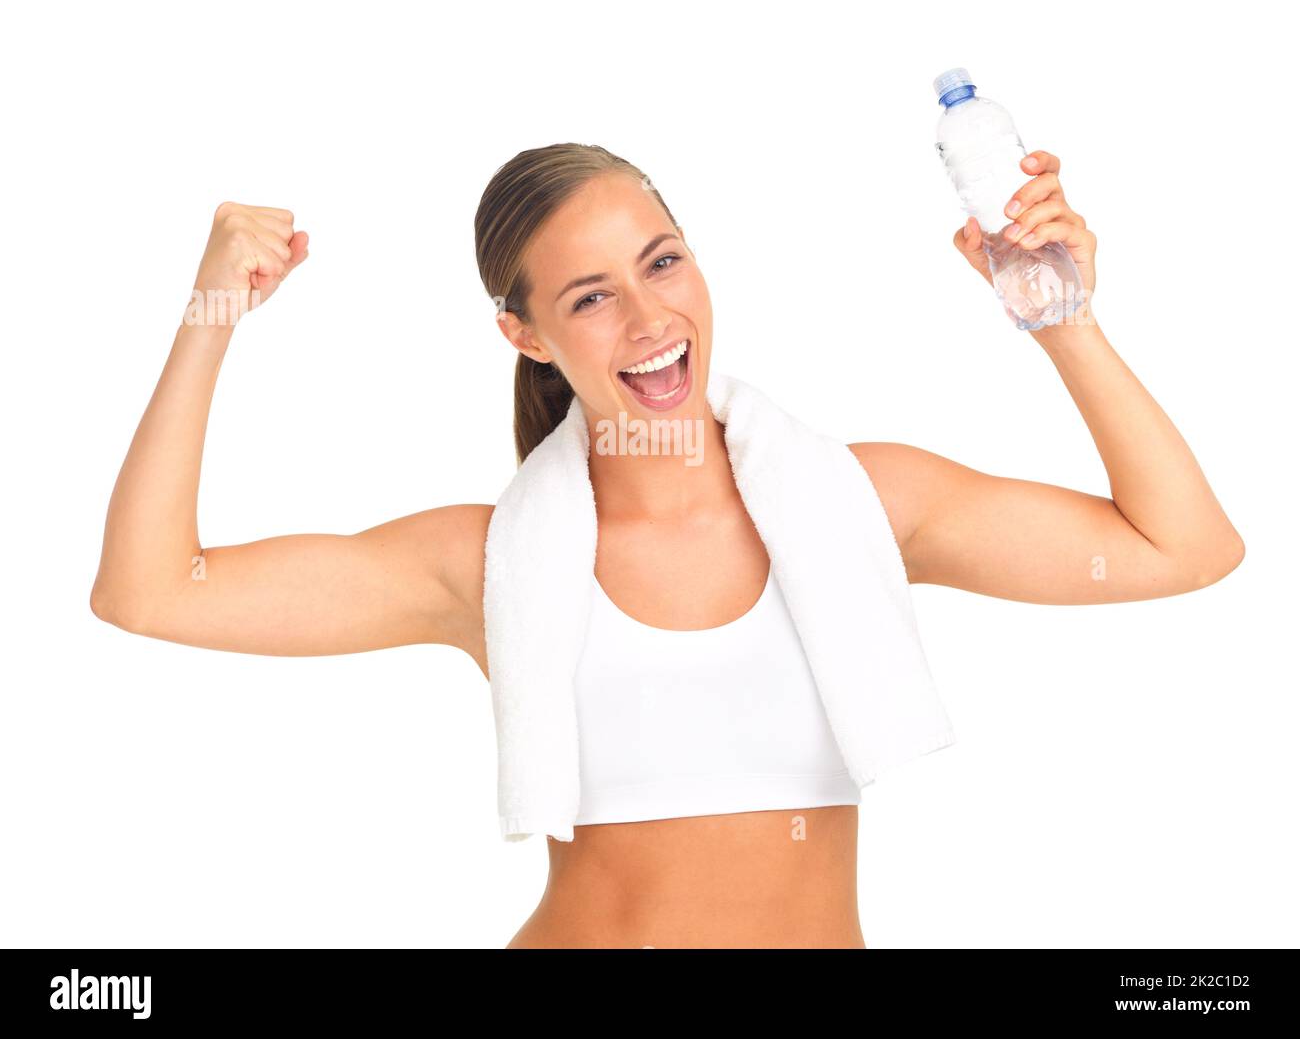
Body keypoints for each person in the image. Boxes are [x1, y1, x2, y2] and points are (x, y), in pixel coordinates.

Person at [90, 142, 1245, 949]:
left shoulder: (862, 503)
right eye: (587, 297)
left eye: (661, 260)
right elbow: (151, 590)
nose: (648, 319)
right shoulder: (484, 564)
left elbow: (1179, 547)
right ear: (524, 333)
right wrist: (210, 319)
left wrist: (1061, 318)